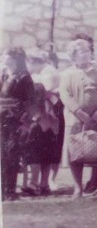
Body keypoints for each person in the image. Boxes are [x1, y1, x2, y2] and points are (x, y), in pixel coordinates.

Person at [59, 39, 97, 200]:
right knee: (75, 153)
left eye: (88, 51)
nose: (87, 54)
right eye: (82, 52)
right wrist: (78, 112)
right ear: (74, 55)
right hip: (76, 119)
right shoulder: (67, 73)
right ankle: (78, 189)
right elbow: (64, 94)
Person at [24, 48, 62, 196]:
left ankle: (36, 183)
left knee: (37, 150)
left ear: (33, 62)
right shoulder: (47, 71)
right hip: (49, 117)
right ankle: (44, 184)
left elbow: (44, 95)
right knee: (47, 151)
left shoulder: (47, 73)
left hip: (44, 117)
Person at [0, 47, 34, 201]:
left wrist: (25, 122)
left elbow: (31, 102)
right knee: (2, 155)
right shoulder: (3, 74)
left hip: (16, 121)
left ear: (15, 58)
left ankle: (10, 191)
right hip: (2, 119)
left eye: (5, 55)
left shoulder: (24, 77)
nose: (2, 56)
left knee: (12, 155)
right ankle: (2, 190)